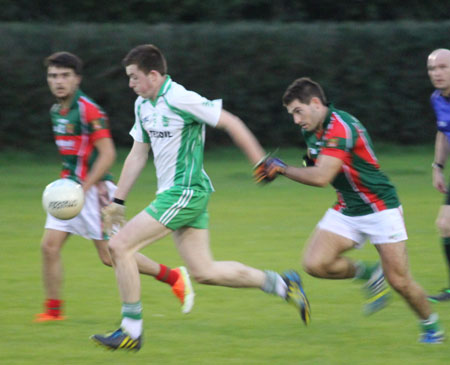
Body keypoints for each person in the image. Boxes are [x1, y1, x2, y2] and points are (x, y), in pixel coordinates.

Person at [90, 44, 310, 351]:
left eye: (134, 77)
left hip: (186, 192)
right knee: (204, 272)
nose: (130, 84)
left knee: (119, 246)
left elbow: (230, 121)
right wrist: (118, 201)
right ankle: (282, 284)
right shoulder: (143, 105)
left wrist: (259, 161)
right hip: (178, 194)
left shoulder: (180, 98)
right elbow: (138, 154)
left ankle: (131, 330)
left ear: (153, 75)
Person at [254, 77, 445, 344]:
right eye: (292, 114)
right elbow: (316, 162)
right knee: (314, 263)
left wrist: (282, 169)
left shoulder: (340, 127)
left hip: (380, 207)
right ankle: (369, 273)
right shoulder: (312, 129)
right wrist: (300, 164)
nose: (296, 120)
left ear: (316, 103)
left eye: (298, 111)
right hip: (347, 206)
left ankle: (431, 326)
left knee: (400, 282)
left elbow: (321, 177)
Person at [35, 51, 194, 322]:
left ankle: (173, 276)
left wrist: (84, 187)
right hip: (68, 191)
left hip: (93, 193)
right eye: (53, 76)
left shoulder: (88, 109)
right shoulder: (56, 111)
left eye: (64, 76)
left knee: (112, 256)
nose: (58, 81)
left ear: (77, 79)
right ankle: (53, 312)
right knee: (49, 247)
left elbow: (108, 154)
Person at [427, 48, 450, 302]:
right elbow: (443, 132)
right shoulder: (437, 99)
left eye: (443, 67)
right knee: (445, 225)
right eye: (432, 69)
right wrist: (438, 167)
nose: (437, 73)